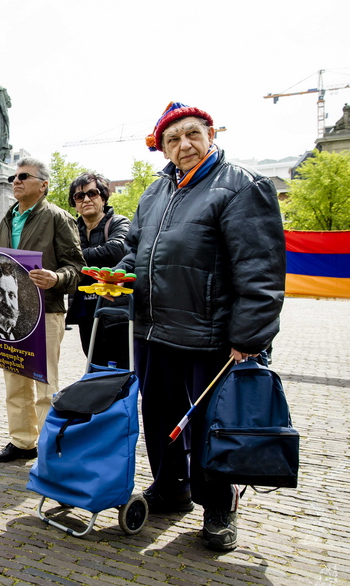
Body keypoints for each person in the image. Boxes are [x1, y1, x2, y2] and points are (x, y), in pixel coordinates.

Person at [117, 102, 285, 551]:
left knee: (212, 424)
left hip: (212, 333)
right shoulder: (154, 192)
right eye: (173, 139)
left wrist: (249, 336)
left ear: (210, 133)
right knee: (159, 415)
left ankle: (218, 506)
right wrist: (117, 279)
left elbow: (261, 271)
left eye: (192, 134)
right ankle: (171, 486)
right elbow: (135, 251)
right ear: (163, 148)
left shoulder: (242, 186)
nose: (184, 145)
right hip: (154, 328)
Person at [0, 157, 84, 463]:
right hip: (9, 317)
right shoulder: (7, 218)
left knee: (44, 384)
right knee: (15, 380)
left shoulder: (58, 217)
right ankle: (22, 441)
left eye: (24, 177)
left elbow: (78, 268)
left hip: (46, 312)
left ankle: (49, 449)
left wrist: (56, 278)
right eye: (15, 177)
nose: (16, 181)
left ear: (43, 185)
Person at [65, 173, 131, 369]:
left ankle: (123, 401)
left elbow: (115, 251)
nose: (86, 199)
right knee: (95, 365)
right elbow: (58, 257)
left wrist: (76, 258)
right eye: (79, 196)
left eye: (92, 193)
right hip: (85, 310)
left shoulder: (119, 222)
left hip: (116, 310)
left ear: (103, 197)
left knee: (122, 368)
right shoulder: (70, 229)